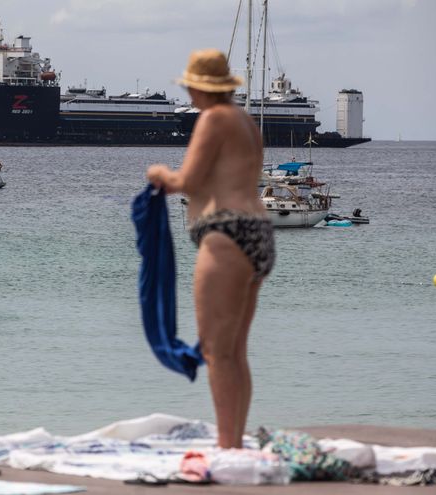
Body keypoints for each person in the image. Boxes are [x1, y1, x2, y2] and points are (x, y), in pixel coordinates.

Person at [145, 48, 275, 449]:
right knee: (235, 350)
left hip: (225, 235)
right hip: (258, 234)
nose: (188, 94)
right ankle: (233, 440)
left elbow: (187, 180)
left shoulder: (213, 119)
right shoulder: (245, 122)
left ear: (200, 87)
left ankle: (226, 447)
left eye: (190, 87)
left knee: (218, 352)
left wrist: (158, 173)